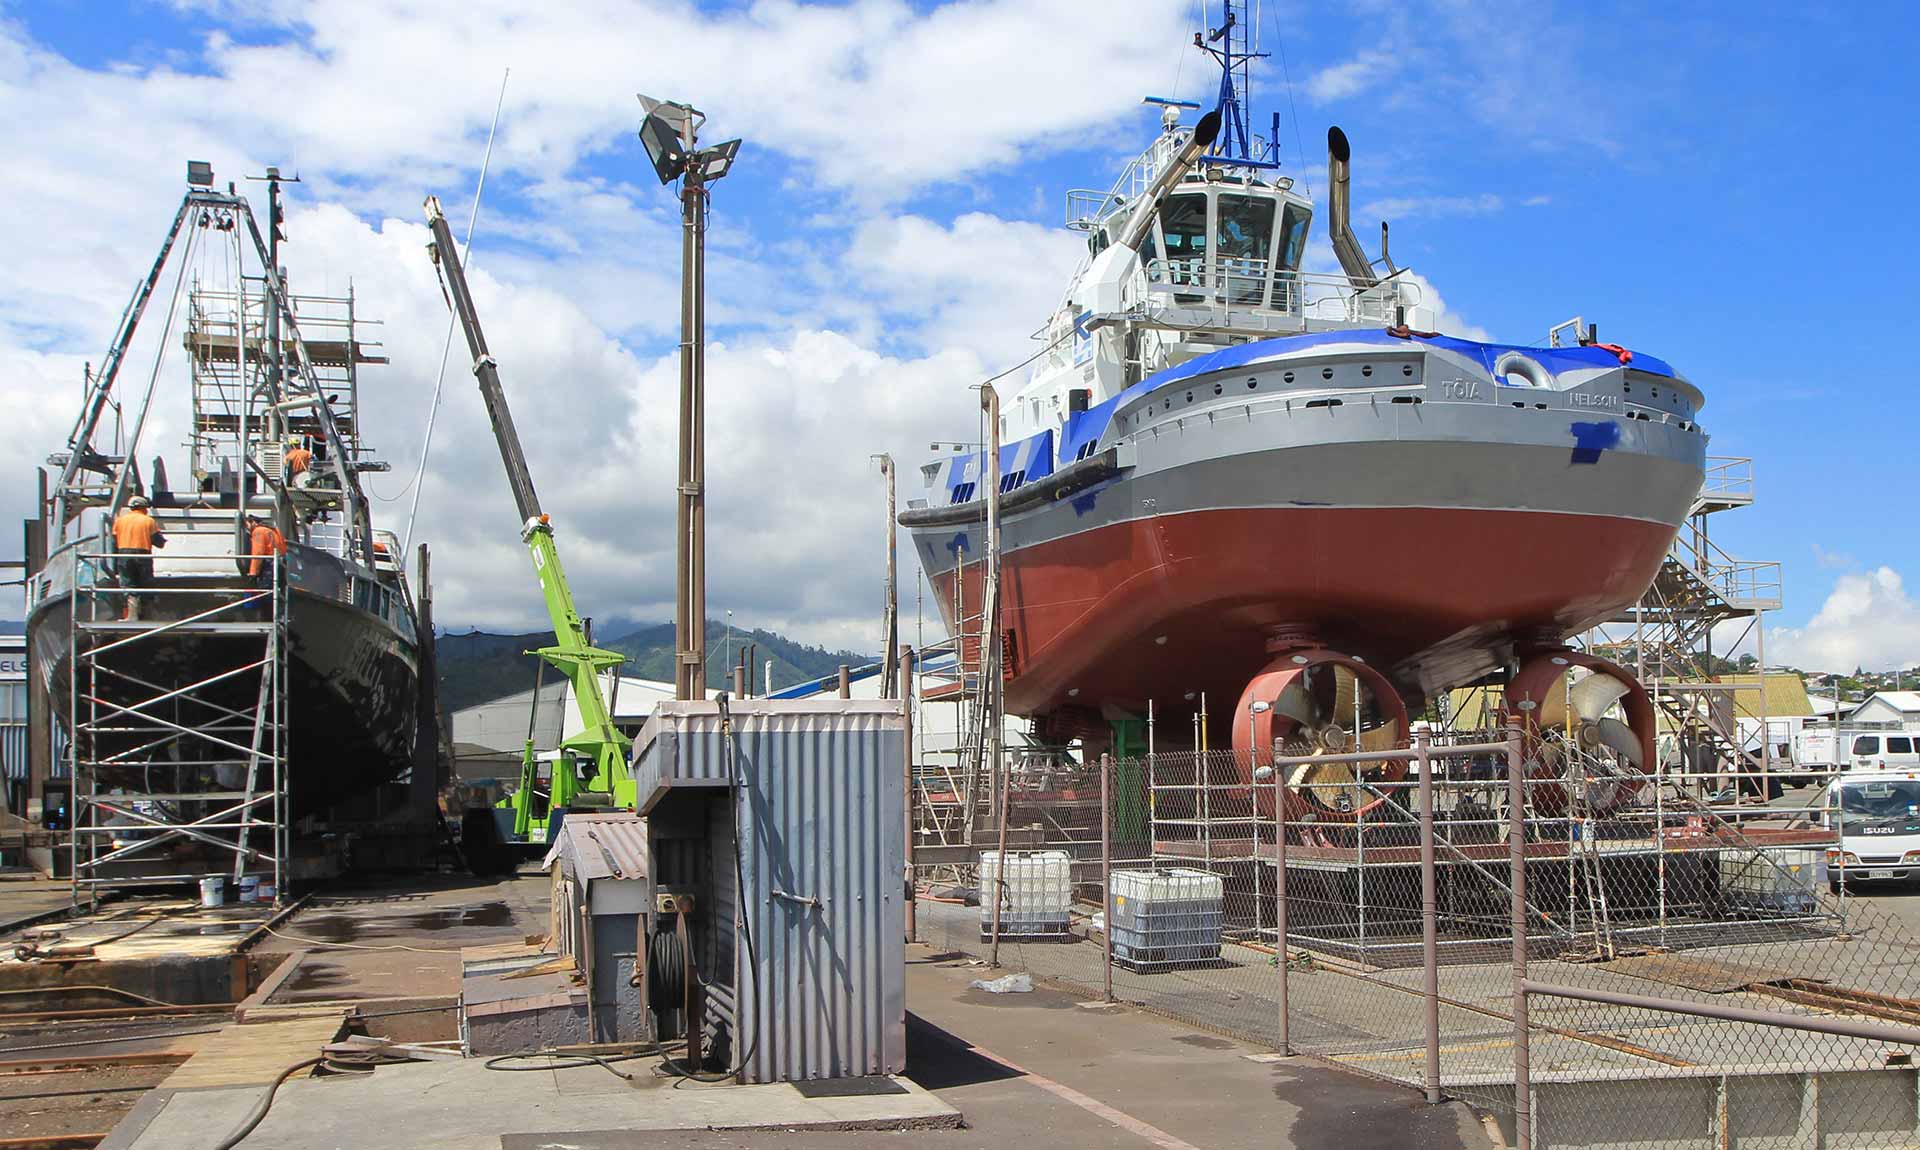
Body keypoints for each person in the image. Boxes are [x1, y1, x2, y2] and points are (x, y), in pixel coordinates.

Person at [110, 495, 165, 620]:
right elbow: (158, 542)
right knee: (146, 584)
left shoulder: (120, 520)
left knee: (128, 584)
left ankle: (132, 615)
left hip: (124, 554)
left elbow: (114, 540)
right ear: (144, 508)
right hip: (142, 554)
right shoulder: (148, 520)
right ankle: (148, 615)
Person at [243, 513, 286, 588]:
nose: (247, 528)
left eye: (247, 525)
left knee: (265, 591)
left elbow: (258, 553)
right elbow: (283, 549)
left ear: (253, 522)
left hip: (268, 566)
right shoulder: (274, 530)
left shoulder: (258, 531)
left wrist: (253, 573)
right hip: (280, 564)